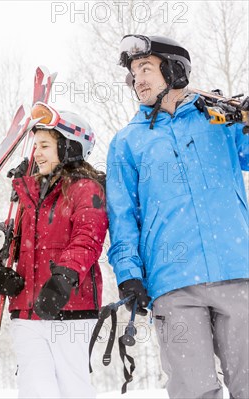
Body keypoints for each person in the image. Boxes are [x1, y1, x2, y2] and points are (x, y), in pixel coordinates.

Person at [108, 34, 249, 398]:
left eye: (145, 68)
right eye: (134, 73)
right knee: (192, 391)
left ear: (174, 70)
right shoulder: (127, 142)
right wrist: (129, 275)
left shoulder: (221, 120)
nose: (137, 79)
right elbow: (122, 216)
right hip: (172, 283)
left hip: (238, 274)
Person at [0, 103, 107, 398]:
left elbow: (88, 239)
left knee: (73, 389)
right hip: (25, 312)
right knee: (35, 390)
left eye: (45, 145)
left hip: (71, 308)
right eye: (35, 146)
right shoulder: (27, 196)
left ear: (70, 147)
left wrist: (62, 280)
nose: (37, 153)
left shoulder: (86, 189)